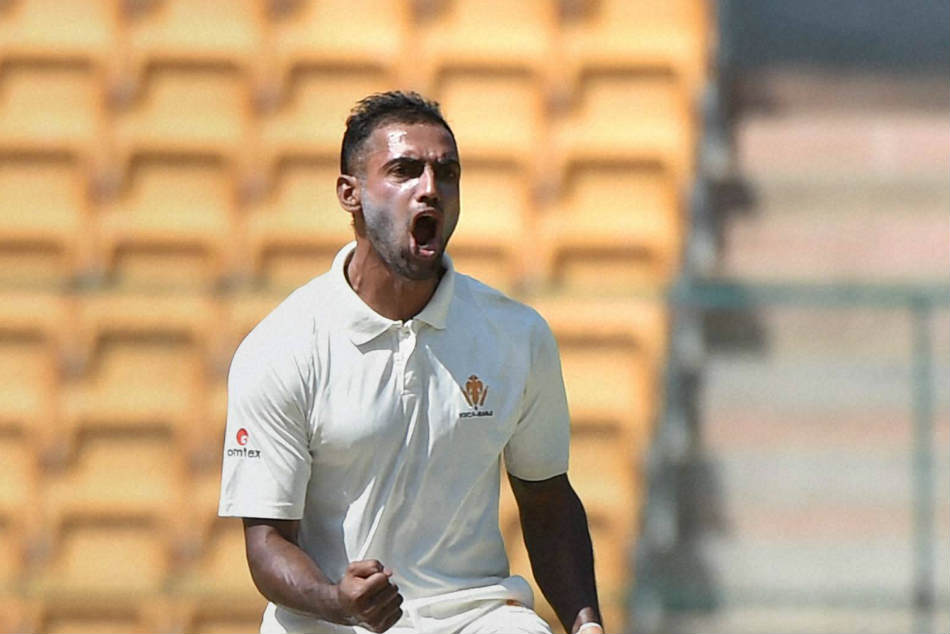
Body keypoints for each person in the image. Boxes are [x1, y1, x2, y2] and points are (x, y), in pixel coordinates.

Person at [219, 91, 603, 634]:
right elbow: (266, 541)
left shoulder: (517, 335)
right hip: (331, 623)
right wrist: (337, 601)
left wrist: (587, 626)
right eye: (404, 171)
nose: (430, 189)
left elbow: (547, 501)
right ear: (350, 194)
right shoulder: (281, 347)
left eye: (447, 173)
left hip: (477, 616)